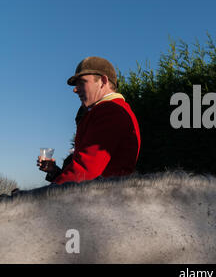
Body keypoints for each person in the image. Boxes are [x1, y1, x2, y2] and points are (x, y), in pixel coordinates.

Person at [37, 56, 141, 184]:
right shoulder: (111, 110)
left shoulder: (109, 111)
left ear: (103, 81)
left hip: (104, 199)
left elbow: (85, 172)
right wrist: (54, 171)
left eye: (82, 82)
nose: (75, 89)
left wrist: (39, 196)